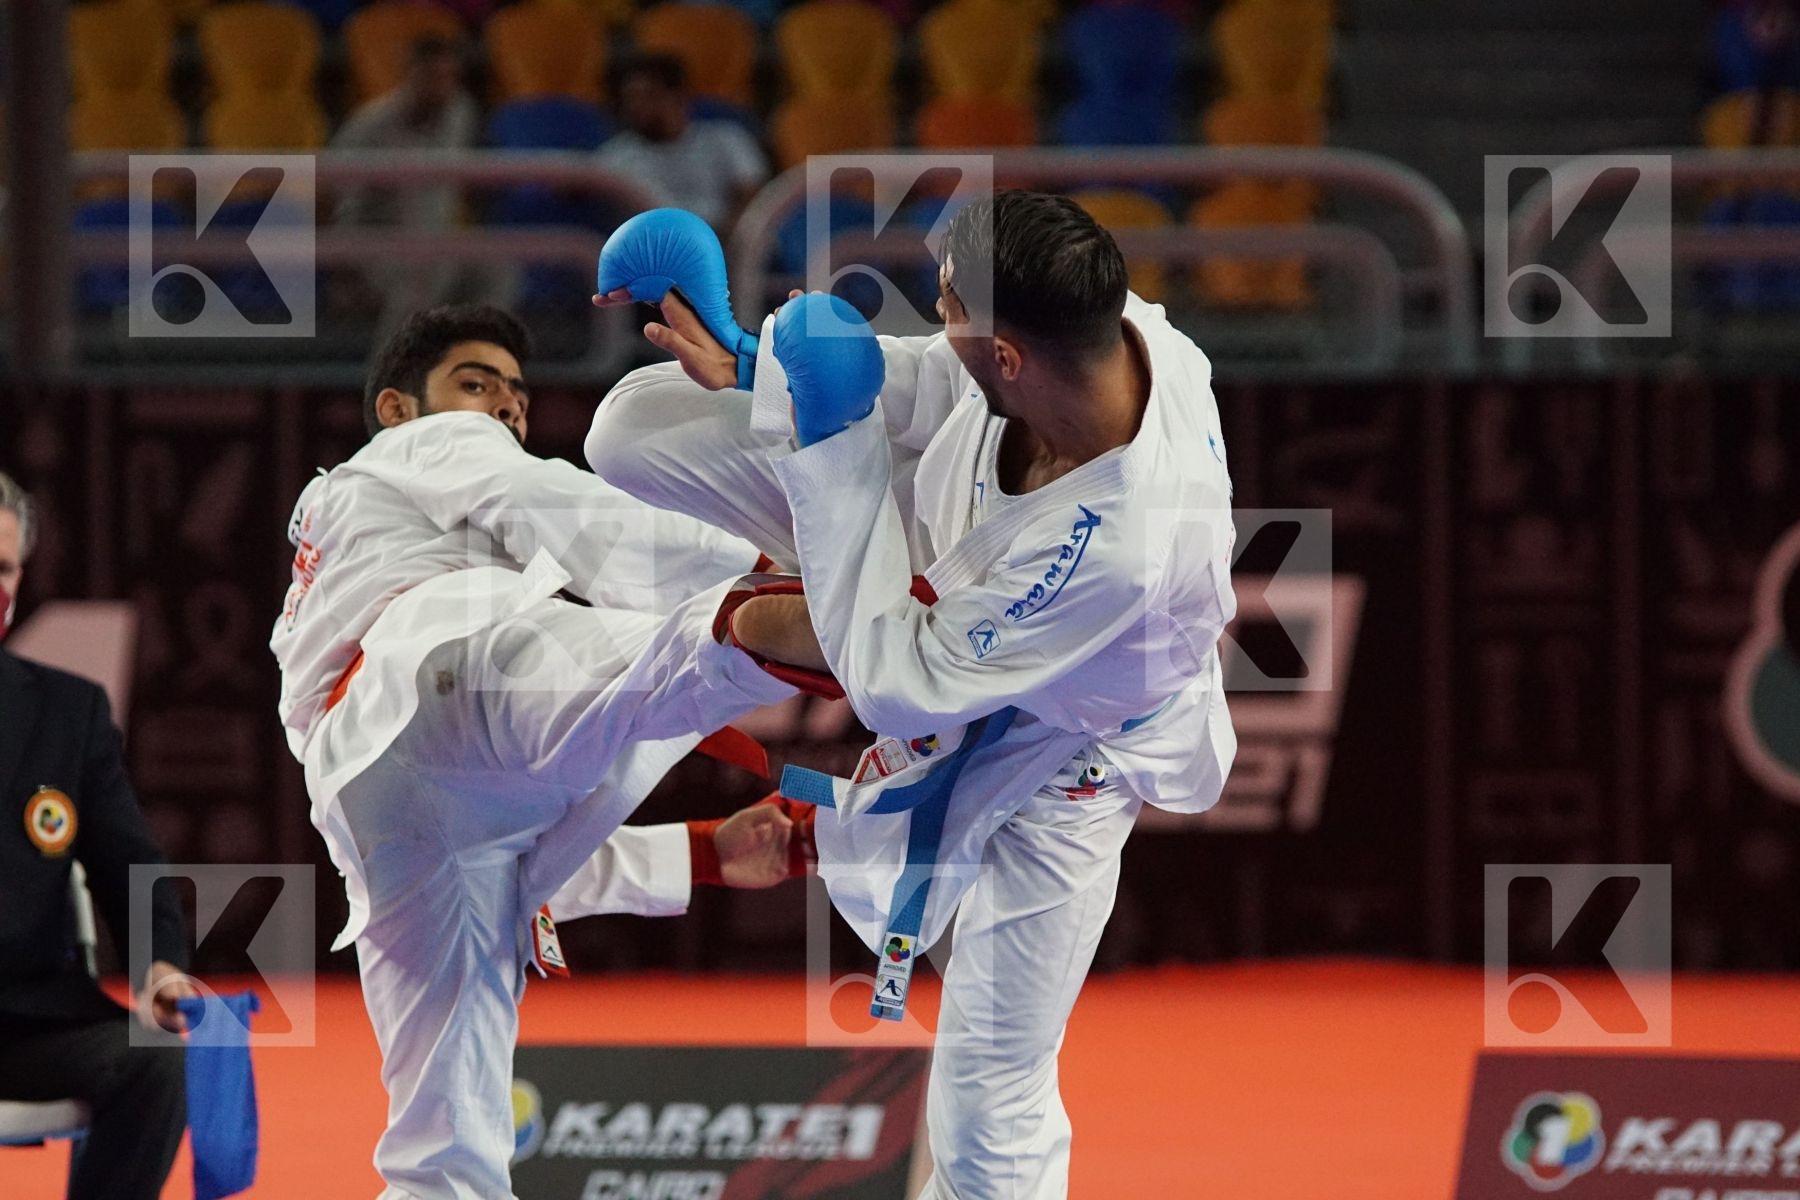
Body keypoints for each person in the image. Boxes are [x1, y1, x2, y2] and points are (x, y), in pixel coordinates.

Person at [586, 192, 1239, 1198]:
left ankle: (783, 611)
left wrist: (831, 443)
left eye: (946, 308)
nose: (933, 323)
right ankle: (801, 592)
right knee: (635, 427)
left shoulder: (1131, 543)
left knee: (988, 1095)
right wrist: (754, 361)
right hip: (945, 558)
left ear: (1011, 355)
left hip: (1065, 749)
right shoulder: (1107, 332)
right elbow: (939, 384)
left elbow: (899, 686)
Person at [268, 305, 814, 1199]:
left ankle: (768, 629)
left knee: (445, 1158)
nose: (503, 410)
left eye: (517, 397)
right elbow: (554, 504)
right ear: (398, 408)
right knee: (643, 655)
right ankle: (801, 614)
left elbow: (486, 829)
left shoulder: (326, 568)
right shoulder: (426, 448)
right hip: (447, 677)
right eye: (476, 384)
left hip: (391, 817)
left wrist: (699, 856)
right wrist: (751, 561)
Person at [0, 470, 194, 1200]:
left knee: (152, 1063)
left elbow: (129, 864)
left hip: (31, 1021)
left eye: (4, 568)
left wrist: (160, 968)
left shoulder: (66, 713)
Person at [331, 36, 483, 342]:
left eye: (448, 78)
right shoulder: (369, 126)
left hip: (438, 241)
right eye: (431, 77)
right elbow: (332, 197)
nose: (440, 87)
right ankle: (388, 377)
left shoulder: (460, 113)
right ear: (409, 75)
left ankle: (479, 367)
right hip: (376, 244)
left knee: (497, 270)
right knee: (422, 280)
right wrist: (342, 270)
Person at [598, 53, 768, 231]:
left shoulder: (725, 138)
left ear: (680, 96)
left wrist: (728, 236)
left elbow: (754, 194)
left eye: (649, 96)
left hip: (726, 242)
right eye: (631, 98)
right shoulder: (613, 158)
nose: (637, 107)